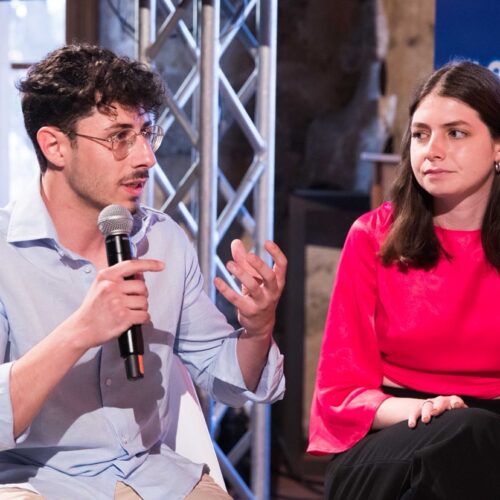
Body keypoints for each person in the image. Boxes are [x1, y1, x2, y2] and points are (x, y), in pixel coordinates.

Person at [0, 43, 287, 499]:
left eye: (146, 133)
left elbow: (227, 379)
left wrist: (258, 329)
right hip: (35, 482)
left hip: (153, 476)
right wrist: (80, 331)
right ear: (54, 146)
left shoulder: (164, 240)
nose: (146, 158)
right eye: (119, 137)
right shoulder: (5, 254)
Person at [308, 60, 500, 499]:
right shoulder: (372, 237)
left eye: (456, 133)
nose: (432, 150)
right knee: (462, 436)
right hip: (393, 430)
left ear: (497, 146)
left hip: (489, 438)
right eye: (420, 134)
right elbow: (340, 391)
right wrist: (423, 409)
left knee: (474, 442)